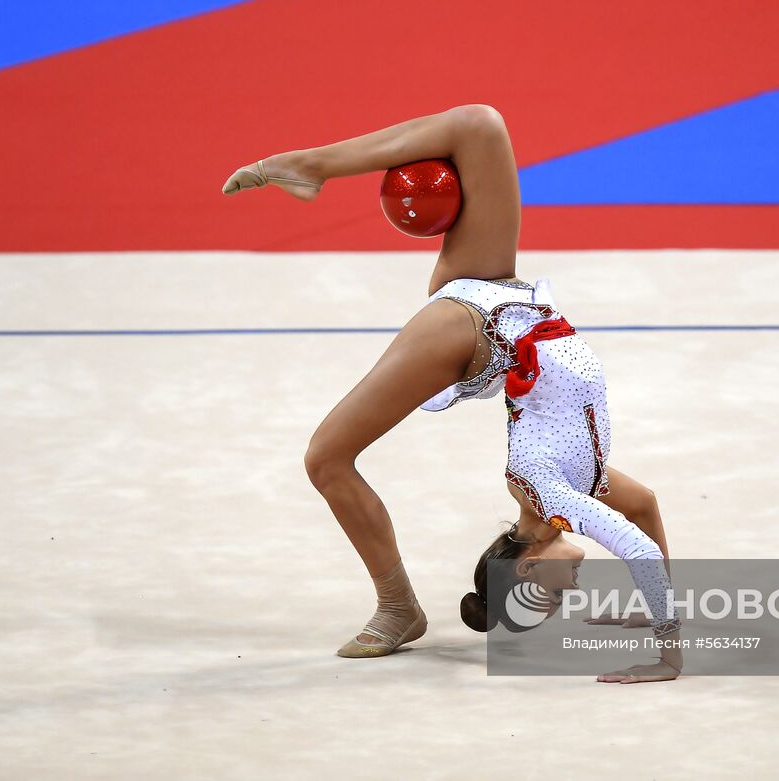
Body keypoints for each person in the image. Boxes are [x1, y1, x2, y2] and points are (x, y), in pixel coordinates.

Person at [223, 105, 682, 683]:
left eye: (549, 596)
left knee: (325, 457)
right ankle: (309, 165)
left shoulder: (544, 488)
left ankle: (398, 608)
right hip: (498, 295)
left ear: (523, 570)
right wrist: (660, 611)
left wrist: (669, 653)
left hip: (466, 333)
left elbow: (636, 547)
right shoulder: (577, 487)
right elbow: (643, 510)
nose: (570, 593)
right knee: (481, 125)